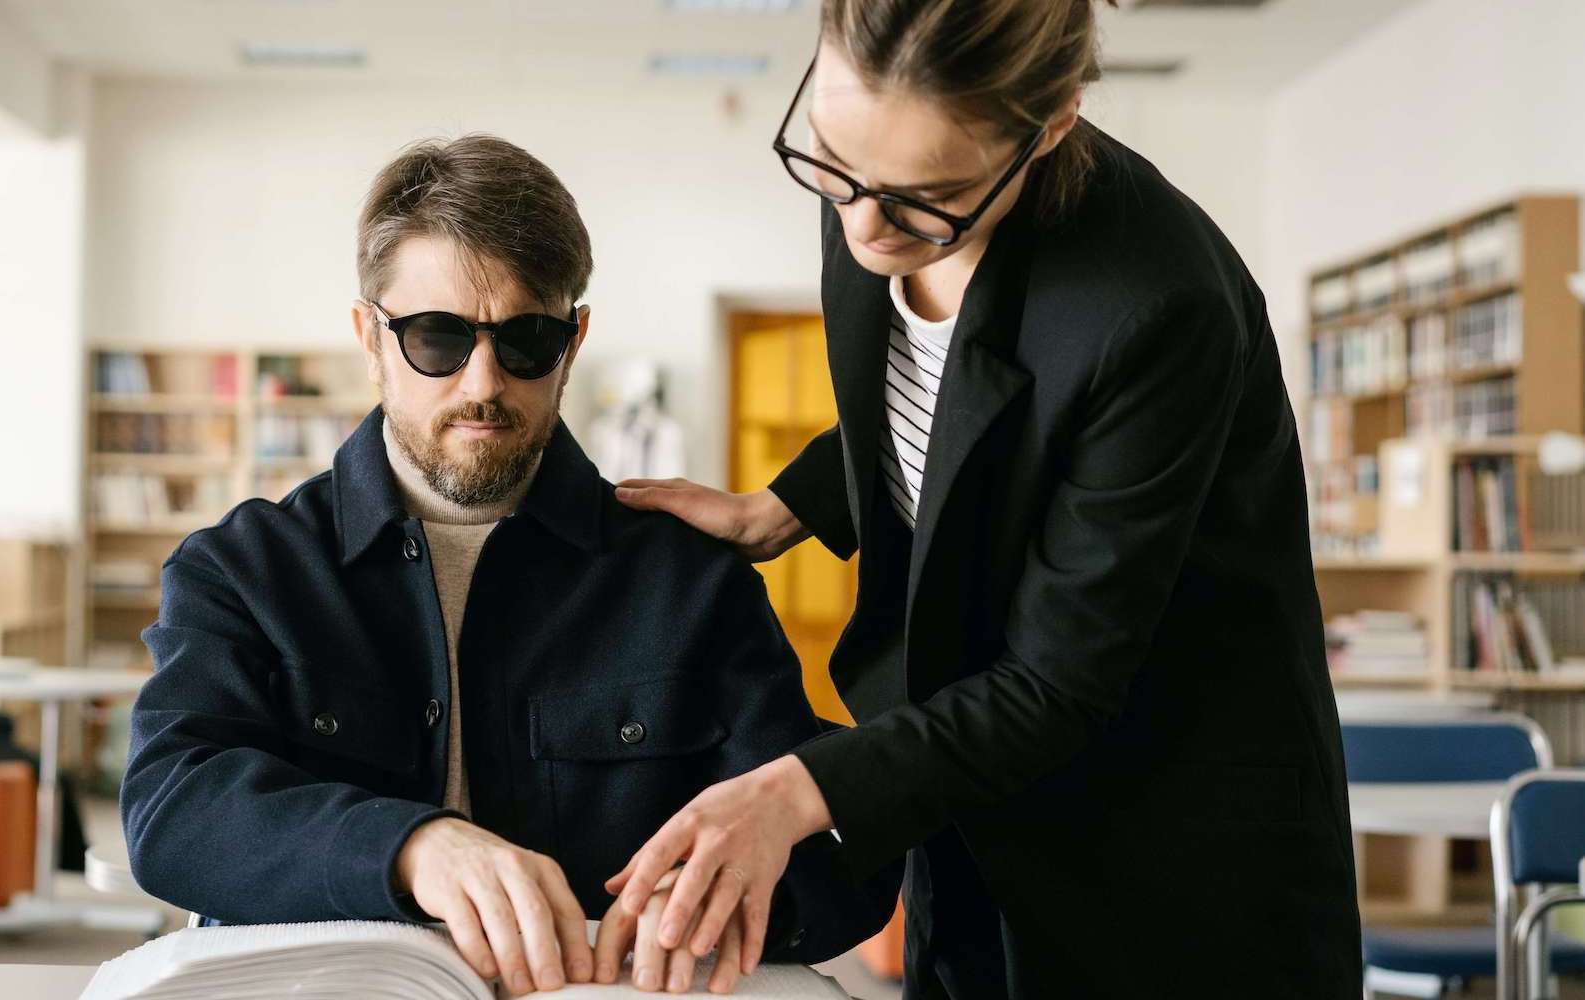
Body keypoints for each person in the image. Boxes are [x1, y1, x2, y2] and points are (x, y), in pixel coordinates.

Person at [606, 1, 1362, 996]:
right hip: (970, 792)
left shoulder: (1153, 304)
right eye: (833, 163)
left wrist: (795, 792)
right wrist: (779, 510)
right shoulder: (874, 178)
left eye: (924, 200)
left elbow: (1057, 682)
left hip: (1165, 847)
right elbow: (945, 415)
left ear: (1048, 128)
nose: (864, 226)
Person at [120, 134, 896, 997]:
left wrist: (732, 898)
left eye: (526, 340)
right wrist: (409, 847)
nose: (483, 382)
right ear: (367, 337)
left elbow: (840, 856)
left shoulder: (687, 579)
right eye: (437, 338)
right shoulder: (242, 569)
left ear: (574, 338)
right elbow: (174, 808)